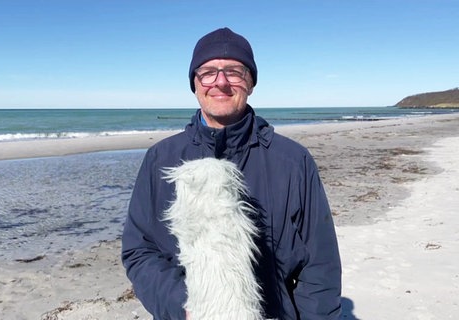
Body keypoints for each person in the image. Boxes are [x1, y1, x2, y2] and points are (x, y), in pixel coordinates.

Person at [122, 27, 342, 319]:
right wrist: (184, 307)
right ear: (195, 83)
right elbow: (140, 250)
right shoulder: (161, 159)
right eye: (208, 72)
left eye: (234, 71)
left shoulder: (292, 160)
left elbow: (320, 266)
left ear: (250, 82)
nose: (221, 82)